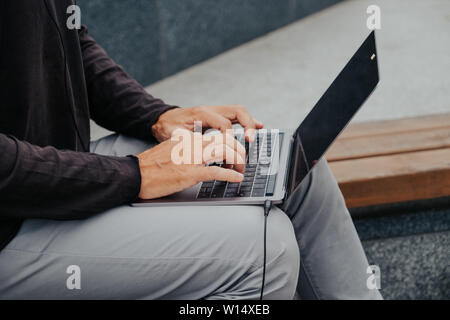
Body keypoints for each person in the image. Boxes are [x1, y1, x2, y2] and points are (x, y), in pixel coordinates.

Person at [0, 0, 381, 300]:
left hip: (58, 167)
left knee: (285, 164)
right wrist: (137, 175)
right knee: (267, 253)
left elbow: (69, 39)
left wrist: (158, 116)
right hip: (13, 228)